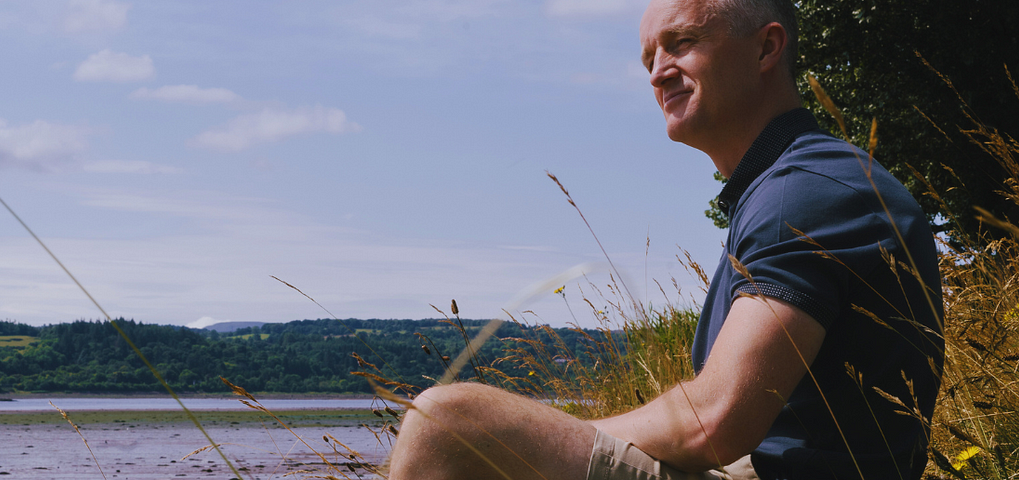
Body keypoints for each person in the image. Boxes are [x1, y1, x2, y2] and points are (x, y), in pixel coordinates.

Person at [385, 0, 943, 479]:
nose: (657, 73)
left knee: (447, 426)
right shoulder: (791, 186)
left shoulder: (809, 191)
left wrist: (560, 437)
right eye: (649, 57)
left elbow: (714, 422)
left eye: (682, 43)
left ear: (766, 49)